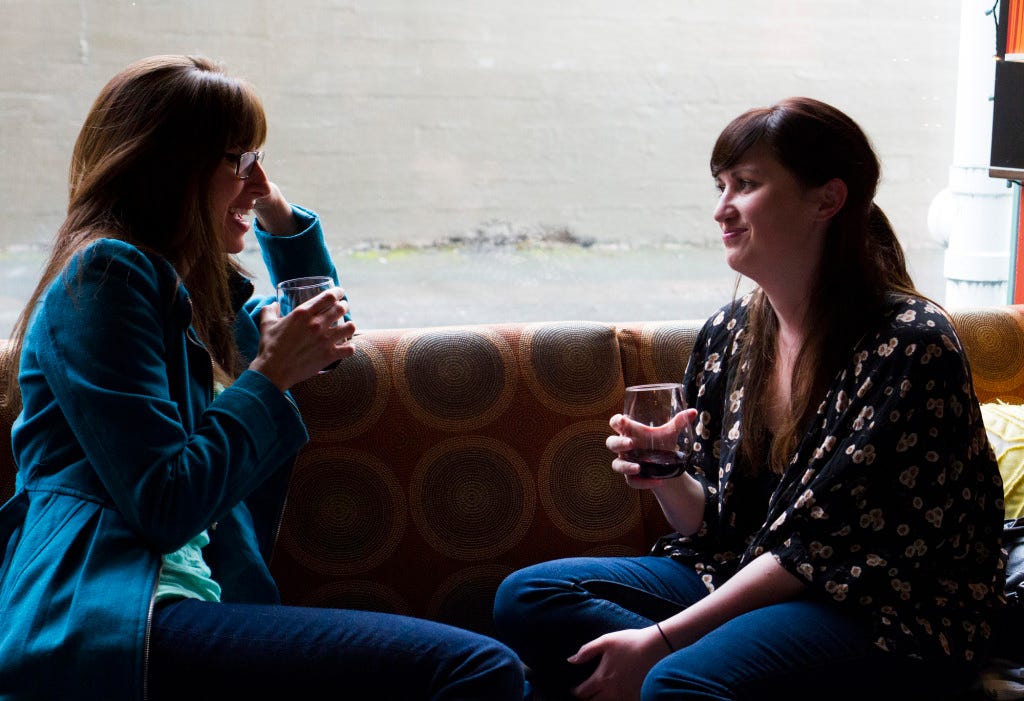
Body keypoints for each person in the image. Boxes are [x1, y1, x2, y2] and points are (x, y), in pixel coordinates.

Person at [0, 55, 523, 701]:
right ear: (170, 168)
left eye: (258, 160)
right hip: (111, 616)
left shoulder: (202, 297)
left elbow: (330, 338)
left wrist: (277, 216)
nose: (258, 181)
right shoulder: (105, 276)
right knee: (478, 669)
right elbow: (164, 502)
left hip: (196, 603)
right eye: (237, 162)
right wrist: (269, 375)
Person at [492, 97, 1006, 701]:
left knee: (680, 678)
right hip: (747, 574)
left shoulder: (909, 345)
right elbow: (712, 525)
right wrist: (668, 474)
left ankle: (684, 679)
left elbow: (808, 553)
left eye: (747, 184)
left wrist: (662, 641)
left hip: (885, 611)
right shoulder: (730, 334)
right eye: (720, 185)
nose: (721, 209)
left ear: (827, 199)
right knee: (528, 597)